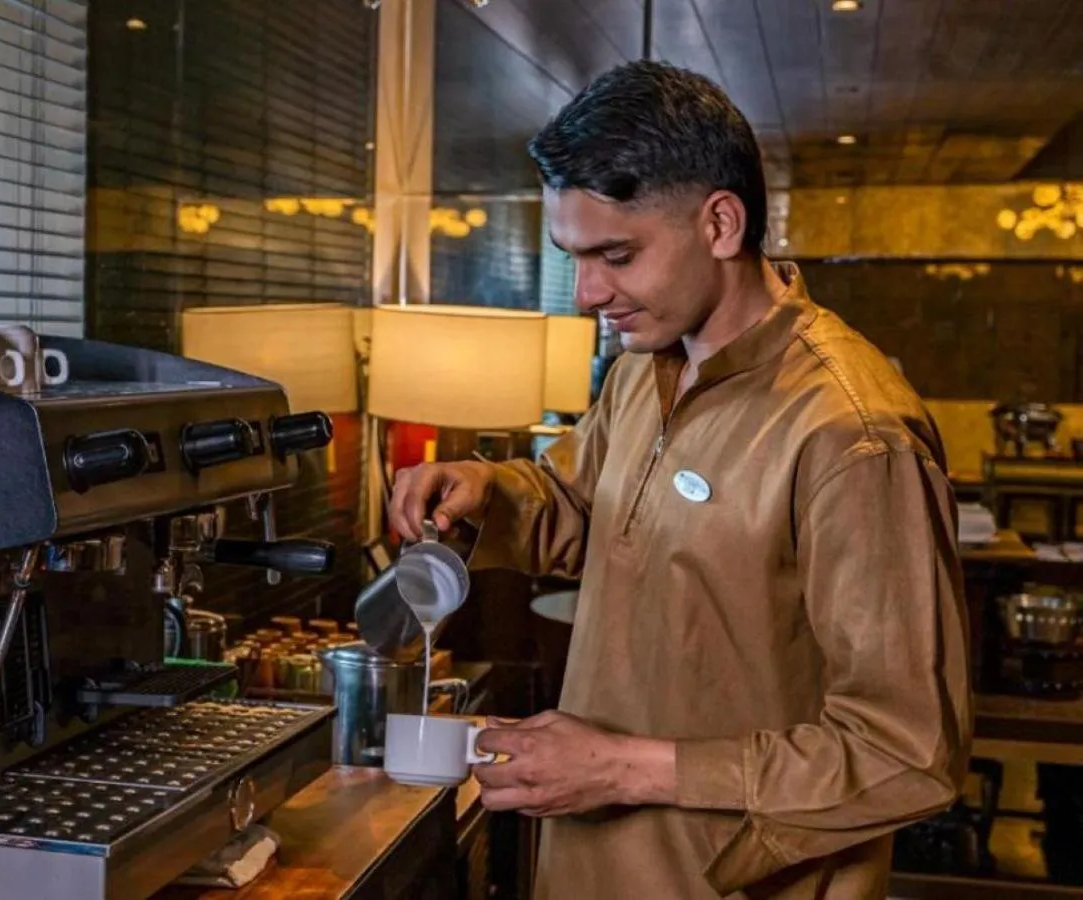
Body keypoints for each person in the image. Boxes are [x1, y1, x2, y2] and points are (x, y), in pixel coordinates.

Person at [387, 61, 971, 899]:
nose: (588, 293)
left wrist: (624, 768)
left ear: (721, 223)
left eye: (616, 255)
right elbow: (588, 509)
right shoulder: (641, 367)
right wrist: (487, 490)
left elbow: (906, 753)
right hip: (588, 871)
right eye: (574, 257)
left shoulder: (852, 433)